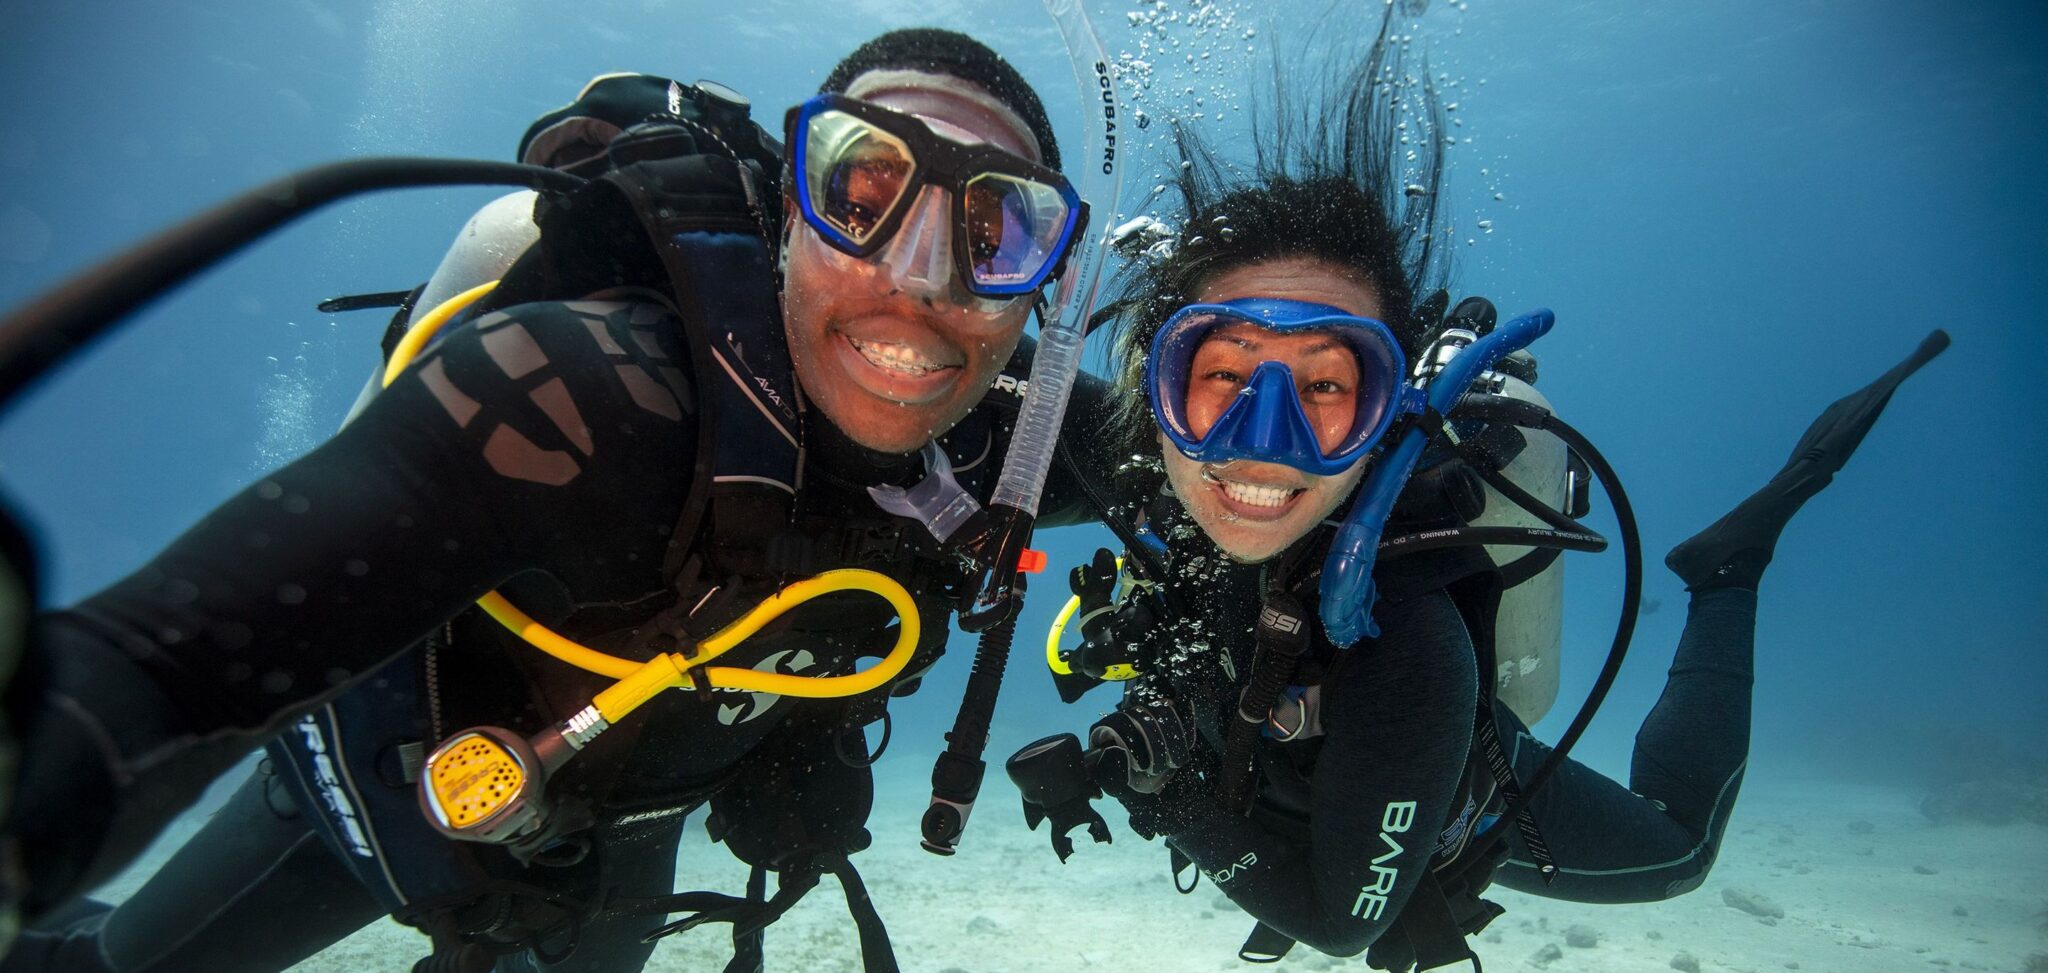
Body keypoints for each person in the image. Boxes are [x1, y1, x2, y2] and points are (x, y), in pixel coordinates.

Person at [0, 27, 1098, 973]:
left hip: (627, 838)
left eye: (996, 231)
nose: (918, 277)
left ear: (1043, 281)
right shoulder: (587, 390)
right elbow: (167, 660)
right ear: (785, 215)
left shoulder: (1008, 444)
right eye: (858, 192)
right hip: (391, 790)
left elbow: (1230, 433)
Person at [1008, 19, 1946, 973]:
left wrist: (1161, 795)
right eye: (1223, 374)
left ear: (1389, 412)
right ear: (1153, 388)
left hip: (1446, 785)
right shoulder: (1141, 453)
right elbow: (952, 410)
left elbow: (1340, 922)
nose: (1264, 443)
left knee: (1679, 855)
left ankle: (1726, 573)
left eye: (1328, 385)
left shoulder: (1411, 648)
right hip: (1275, 772)